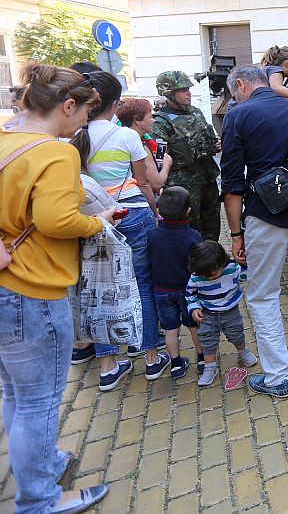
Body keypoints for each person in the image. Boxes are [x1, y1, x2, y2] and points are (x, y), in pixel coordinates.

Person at [0, 63, 111, 513]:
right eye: (85, 112)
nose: (85, 122)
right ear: (67, 106)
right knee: (40, 403)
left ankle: (42, 463)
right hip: (34, 290)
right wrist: (97, 221)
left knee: (15, 395)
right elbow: (57, 221)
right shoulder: (56, 154)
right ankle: (40, 501)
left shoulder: (5, 139)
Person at [221, 64, 288, 398]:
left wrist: (236, 234)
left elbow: (232, 184)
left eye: (232, 93)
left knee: (263, 294)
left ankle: (277, 377)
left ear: (240, 85)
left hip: (265, 212)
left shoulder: (238, 116)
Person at [69, 72, 168, 391]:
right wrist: (155, 211)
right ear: (114, 103)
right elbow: (142, 182)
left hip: (94, 218)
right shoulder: (126, 137)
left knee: (98, 289)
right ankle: (151, 357)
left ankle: (108, 367)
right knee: (142, 283)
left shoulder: (73, 138)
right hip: (132, 213)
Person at [151, 71, 221, 241]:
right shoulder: (160, 121)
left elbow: (207, 138)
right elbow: (160, 157)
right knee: (191, 226)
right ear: (168, 93)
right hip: (183, 185)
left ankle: (213, 259)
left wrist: (216, 144)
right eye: (182, 90)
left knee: (213, 221)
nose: (188, 92)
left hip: (207, 178)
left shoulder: (196, 112)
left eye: (188, 89)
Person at [148, 187, 205, 380]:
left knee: (170, 329)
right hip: (187, 290)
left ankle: (176, 364)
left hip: (161, 290)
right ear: (188, 210)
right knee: (194, 326)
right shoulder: (193, 236)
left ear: (158, 210)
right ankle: (202, 357)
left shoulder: (152, 235)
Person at [186, 240, 258, 387]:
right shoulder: (196, 276)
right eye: (204, 275)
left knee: (236, 333)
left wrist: (245, 263)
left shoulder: (232, 268)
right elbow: (190, 294)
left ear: (221, 263)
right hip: (207, 313)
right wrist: (194, 307)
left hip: (230, 311)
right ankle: (210, 366)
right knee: (207, 339)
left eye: (212, 274)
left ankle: (242, 351)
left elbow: (245, 276)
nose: (208, 277)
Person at [117, 97, 173, 191]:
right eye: (150, 117)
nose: (153, 121)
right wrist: (167, 164)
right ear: (137, 120)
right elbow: (156, 183)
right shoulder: (140, 147)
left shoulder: (121, 140)